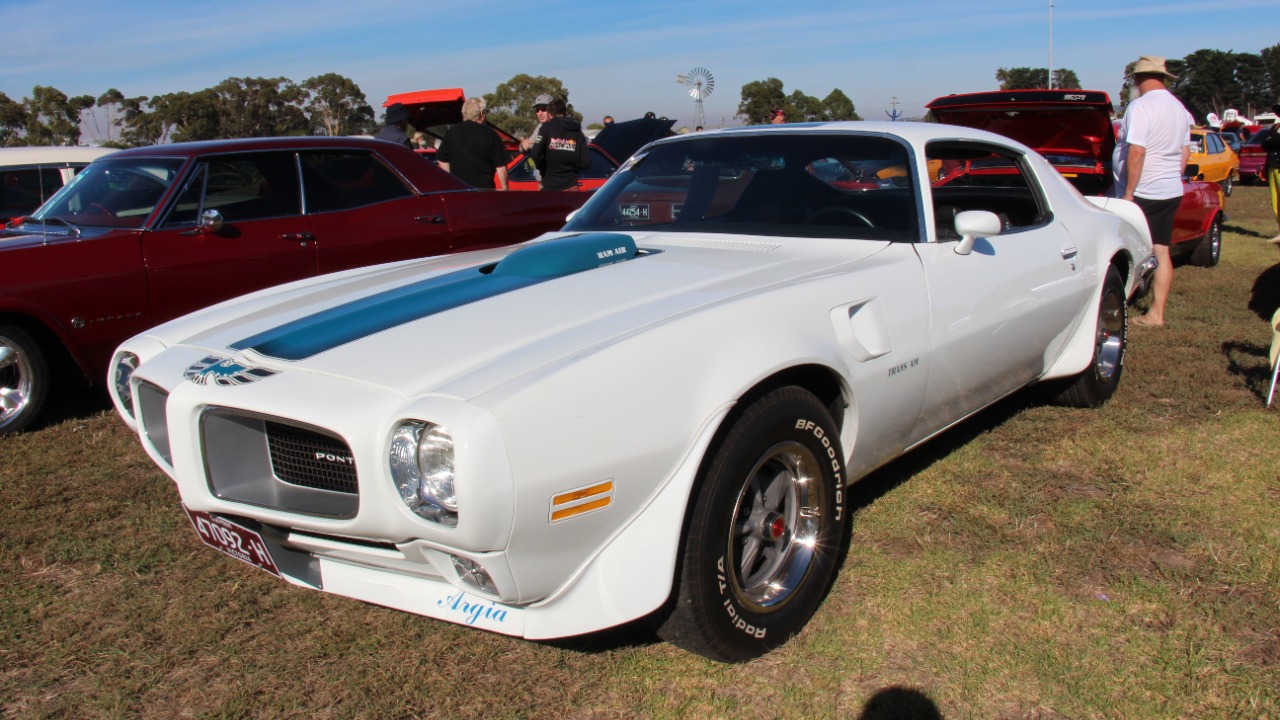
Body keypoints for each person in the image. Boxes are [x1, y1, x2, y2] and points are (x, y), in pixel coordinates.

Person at [1113, 56, 1191, 327]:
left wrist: (1129, 194)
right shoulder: (1179, 108)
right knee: (1161, 250)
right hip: (1169, 189)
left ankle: (1117, 303)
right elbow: (1184, 150)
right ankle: (1157, 312)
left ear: (1138, 79)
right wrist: (1173, 177)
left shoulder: (1141, 106)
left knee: (1126, 249)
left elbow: (1137, 150)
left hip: (1143, 191)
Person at [437, 97, 509, 190]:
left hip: (460, 190)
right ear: (482, 114)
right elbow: (501, 167)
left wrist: (453, 178)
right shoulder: (490, 134)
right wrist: (505, 189)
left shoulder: (451, 132)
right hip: (485, 190)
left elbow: (442, 160)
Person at [528, 98, 590, 191]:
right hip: (571, 186)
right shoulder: (577, 132)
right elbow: (586, 162)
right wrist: (572, 167)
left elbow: (535, 153)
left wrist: (542, 168)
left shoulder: (546, 128)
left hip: (549, 186)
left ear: (549, 114)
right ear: (564, 112)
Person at [1262, 101, 1280, 243]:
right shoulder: (1275, 127)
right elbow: (1264, 144)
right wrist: (1271, 141)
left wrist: (1271, 141)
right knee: (1275, 201)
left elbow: (1273, 142)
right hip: (1272, 166)